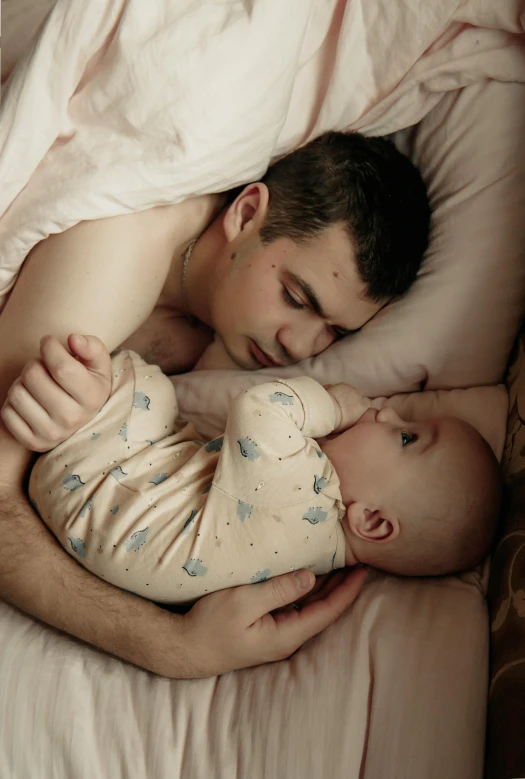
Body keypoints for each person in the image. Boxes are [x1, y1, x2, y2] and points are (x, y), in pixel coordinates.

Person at [0, 131, 430, 677]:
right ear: (247, 212)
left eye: (335, 333)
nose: (300, 347)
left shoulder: (210, 333)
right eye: (296, 299)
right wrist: (168, 644)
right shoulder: (115, 258)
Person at [20, 338, 500, 605]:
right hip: (102, 515)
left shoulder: (305, 496)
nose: (385, 413)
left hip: (94, 485)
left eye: (406, 437)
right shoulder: (312, 552)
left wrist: (331, 405)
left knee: (148, 385)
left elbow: (259, 408)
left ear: (371, 521)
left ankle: (78, 397)